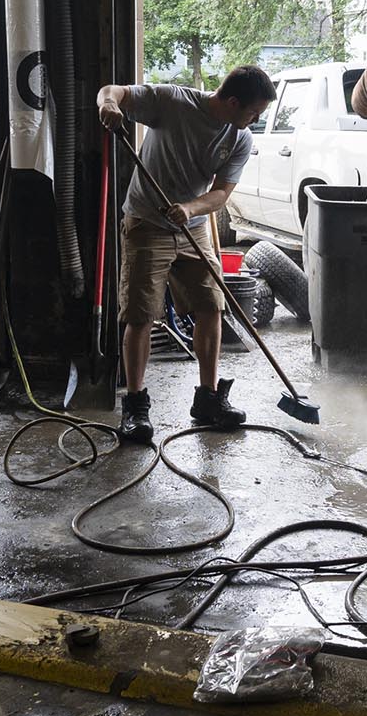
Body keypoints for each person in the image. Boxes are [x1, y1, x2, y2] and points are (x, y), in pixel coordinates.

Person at [97, 66, 277, 443]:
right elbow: (110, 90)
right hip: (147, 223)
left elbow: (222, 192)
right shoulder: (172, 102)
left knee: (211, 306)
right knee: (140, 314)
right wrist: (109, 106)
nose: (255, 120)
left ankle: (208, 399)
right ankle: (134, 407)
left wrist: (191, 209)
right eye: (252, 112)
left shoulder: (240, 138)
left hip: (192, 227)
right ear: (231, 101)